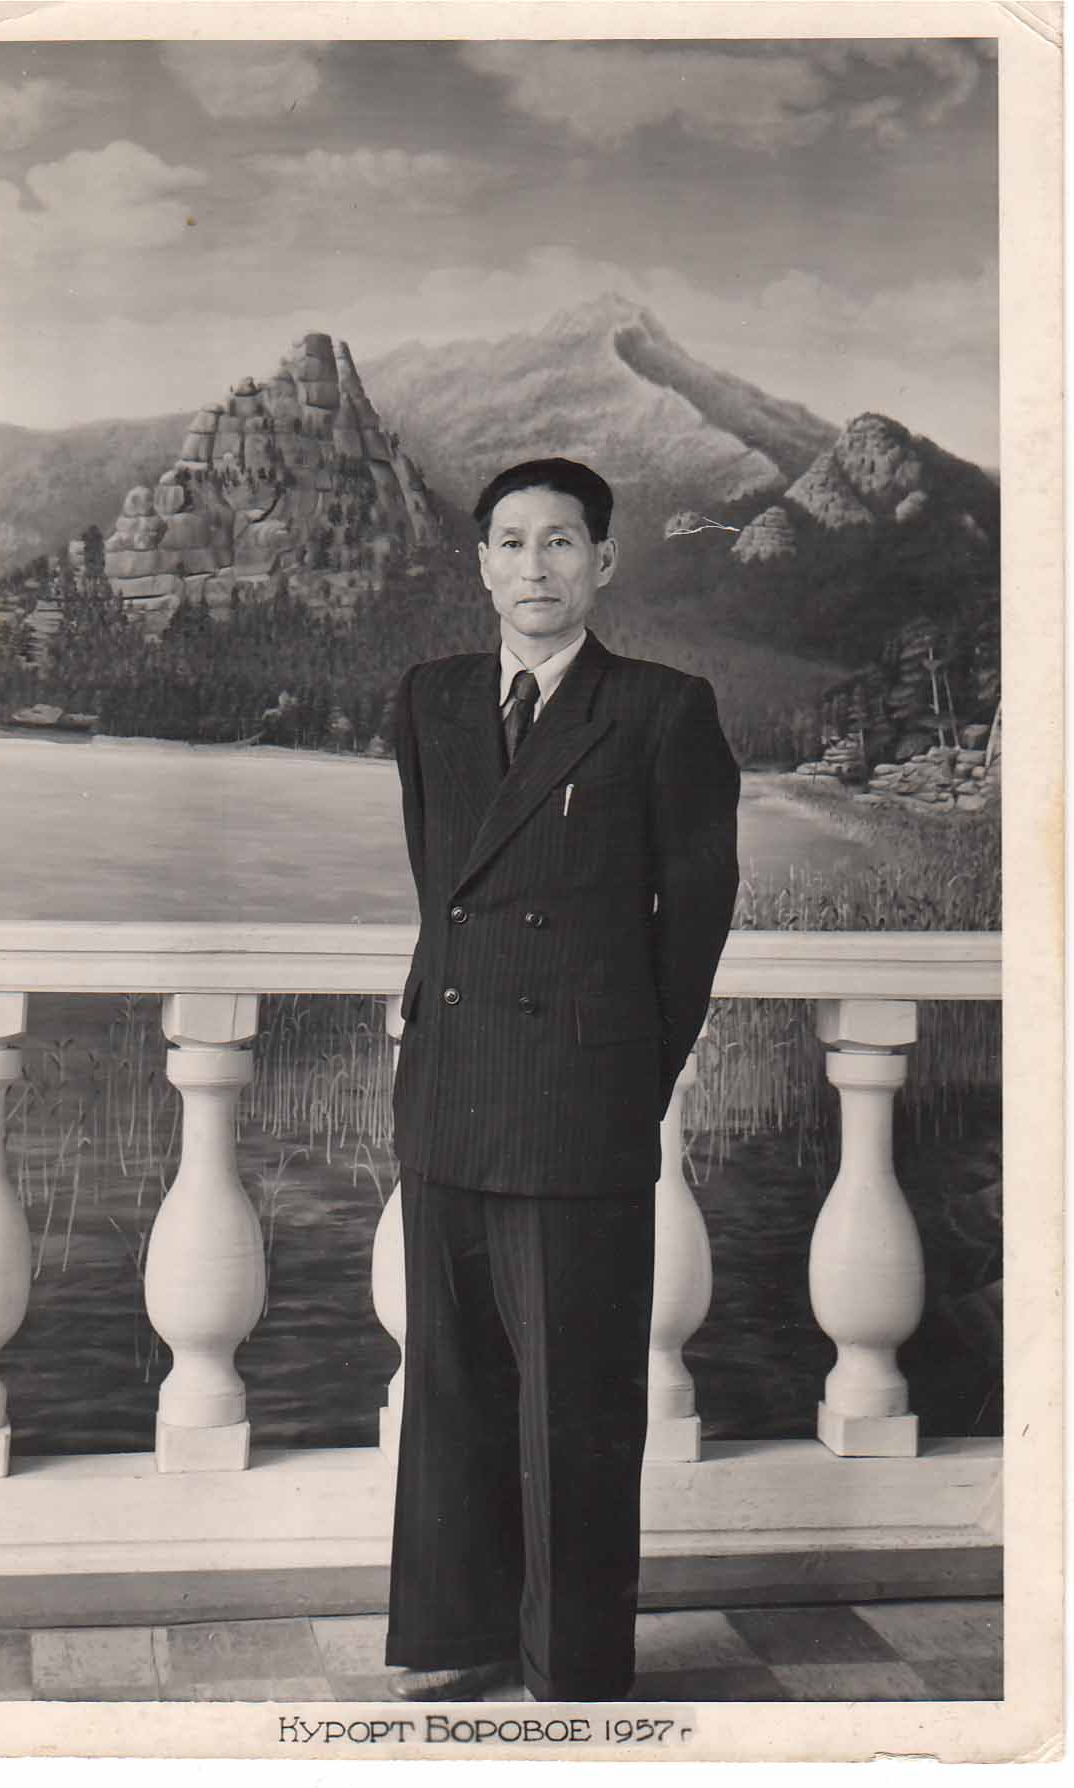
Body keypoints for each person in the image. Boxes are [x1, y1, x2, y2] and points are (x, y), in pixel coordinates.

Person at [384, 457, 740, 1703]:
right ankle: (456, 1639)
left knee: (575, 1406)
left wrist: (623, 1078)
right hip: (448, 1088)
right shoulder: (429, 699)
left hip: (577, 1105)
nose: (534, 567)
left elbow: (693, 928)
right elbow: (441, 890)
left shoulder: (660, 710)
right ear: (480, 564)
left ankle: (572, 1668)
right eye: (512, 542)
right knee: (451, 1389)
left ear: (604, 562)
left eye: (561, 542)